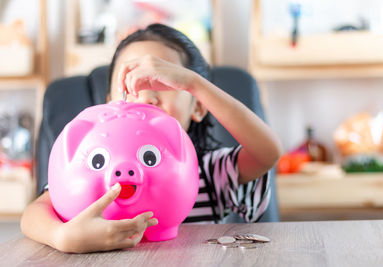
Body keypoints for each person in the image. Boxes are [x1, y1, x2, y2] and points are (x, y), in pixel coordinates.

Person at [20, 24, 282, 253]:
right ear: (109, 105)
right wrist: (62, 237)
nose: (145, 96)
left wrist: (193, 83)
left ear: (198, 106)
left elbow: (267, 153)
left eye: (164, 83)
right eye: (129, 85)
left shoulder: (210, 172)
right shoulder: (88, 171)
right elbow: (34, 214)